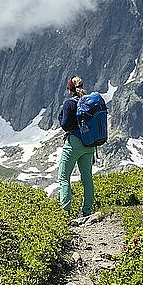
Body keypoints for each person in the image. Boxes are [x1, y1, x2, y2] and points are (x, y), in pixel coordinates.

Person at [58, 76, 95, 217]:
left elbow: (65, 125)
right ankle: (86, 211)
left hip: (74, 143)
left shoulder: (69, 103)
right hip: (89, 144)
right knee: (87, 178)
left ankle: (64, 213)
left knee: (63, 177)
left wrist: (60, 118)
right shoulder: (89, 102)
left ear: (69, 89)